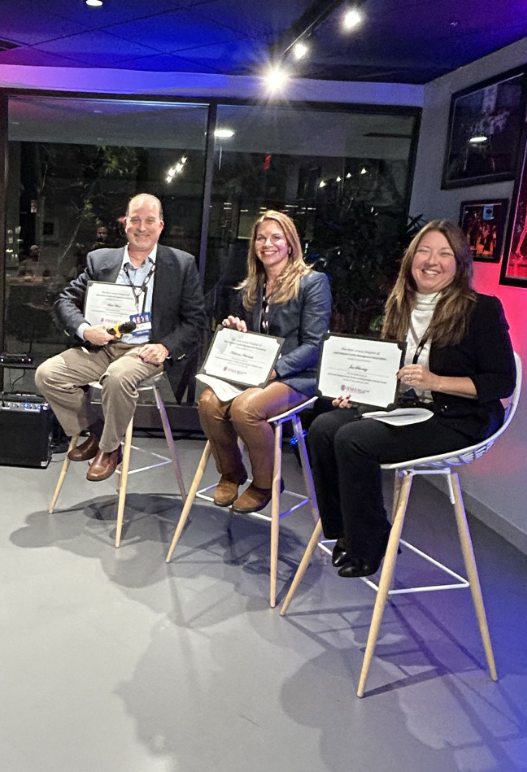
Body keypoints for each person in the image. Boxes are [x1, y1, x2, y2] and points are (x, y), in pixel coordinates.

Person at [309, 219, 516, 578]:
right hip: (410, 407)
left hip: (459, 418)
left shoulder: (480, 309)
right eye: (424, 251)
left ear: (459, 263)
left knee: (354, 439)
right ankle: (349, 531)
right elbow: (390, 372)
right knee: (323, 427)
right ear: (411, 259)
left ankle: (368, 543)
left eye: (444, 253)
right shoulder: (400, 304)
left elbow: (502, 383)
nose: (432, 261)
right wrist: (360, 395)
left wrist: (437, 381)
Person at [35, 193, 206, 482]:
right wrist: (85, 329)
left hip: (145, 350)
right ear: (125, 223)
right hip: (103, 347)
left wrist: (165, 347)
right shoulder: (101, 260)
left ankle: (110, 450)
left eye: (149, 221)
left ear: (160, 225)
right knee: (47, 375)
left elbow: (195, 321)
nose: (142, 227)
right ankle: (98, 431)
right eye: (135, 220)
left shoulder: (181, 264)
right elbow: (65, 300)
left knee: (117, 378)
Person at [197, 210, 332, 513]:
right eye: (261, 238)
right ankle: (232, 472)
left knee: (246, 409)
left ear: (290, 243)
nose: (267, 244)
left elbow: (315, 345)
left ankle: (265, 482)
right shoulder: (254, 285)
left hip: (299, 375)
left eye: (275, 238)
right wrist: (240, 334)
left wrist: (274, 370)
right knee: (208, 402)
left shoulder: (313, 283)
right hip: (259, 373)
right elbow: (261, 340)